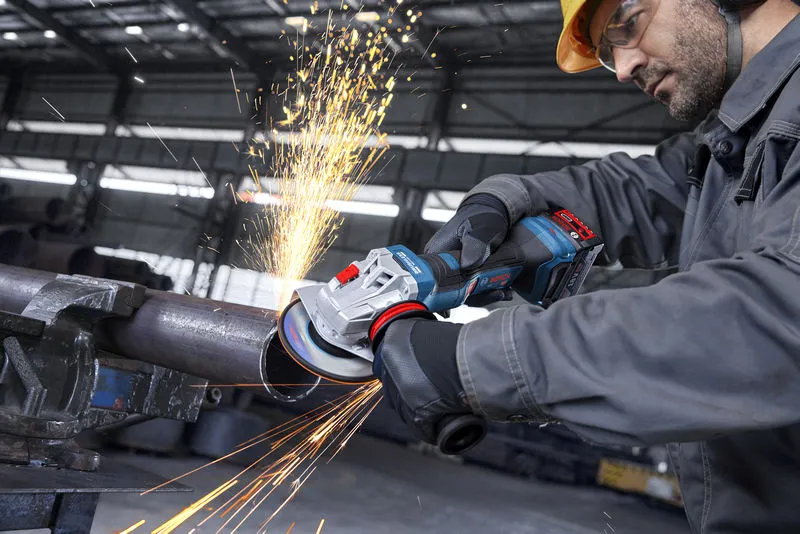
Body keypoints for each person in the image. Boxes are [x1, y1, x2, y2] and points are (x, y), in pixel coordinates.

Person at [371, 0, 800, 531]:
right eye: (606, 53)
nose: (623, 69)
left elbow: (781, 316)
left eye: (627, 24)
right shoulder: (741, 136)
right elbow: (639, 192)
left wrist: (481, 360)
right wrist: (507, 201)